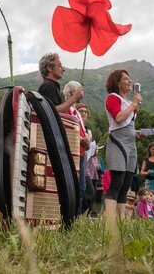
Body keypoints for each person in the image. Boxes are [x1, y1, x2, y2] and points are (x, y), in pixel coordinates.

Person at [103, 69, 143, 219]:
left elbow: (127, 123)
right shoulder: (112, 98)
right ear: (117, 82)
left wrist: (137, 132)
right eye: (126, 79)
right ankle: (109, 221)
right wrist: (133, 104)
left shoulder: (128, 102)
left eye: (129, 78)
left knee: (126, 183)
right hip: (118, 142)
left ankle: (121, 220)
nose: (129, 81)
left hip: (130, 143)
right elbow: (118, 118)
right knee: (116, 181)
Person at [62, 81, 90, 216]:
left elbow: (81, 130)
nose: (83, 92)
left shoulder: (75, 110)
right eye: (81, 90)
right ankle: (71, 217)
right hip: (73, 152)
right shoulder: (66, 109)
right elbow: (66, 130)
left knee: (82, 188)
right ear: (72, 92)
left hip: (81, 152)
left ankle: (76, 216)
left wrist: (87, 140)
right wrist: (81, 140)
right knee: (75, 186)